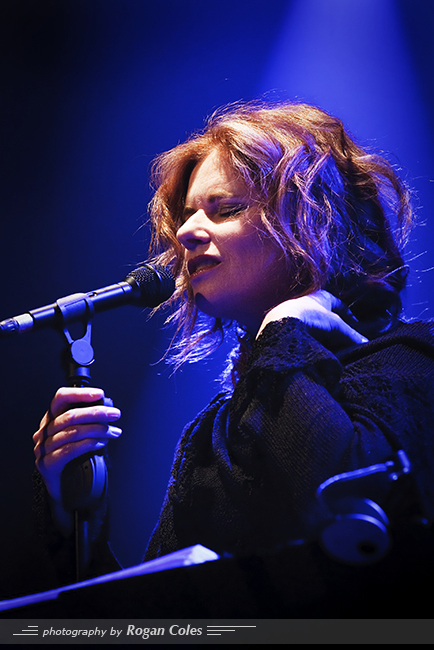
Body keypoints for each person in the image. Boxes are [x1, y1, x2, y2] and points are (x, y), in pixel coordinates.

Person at [32, 101, 434, 614]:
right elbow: (154, 616)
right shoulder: (214, 432)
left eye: (225, 210)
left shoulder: (411, 362)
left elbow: (339, 515)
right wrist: (71, 513)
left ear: (315, 219)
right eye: (187, 215)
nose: (185, 233)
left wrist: (284, 327)